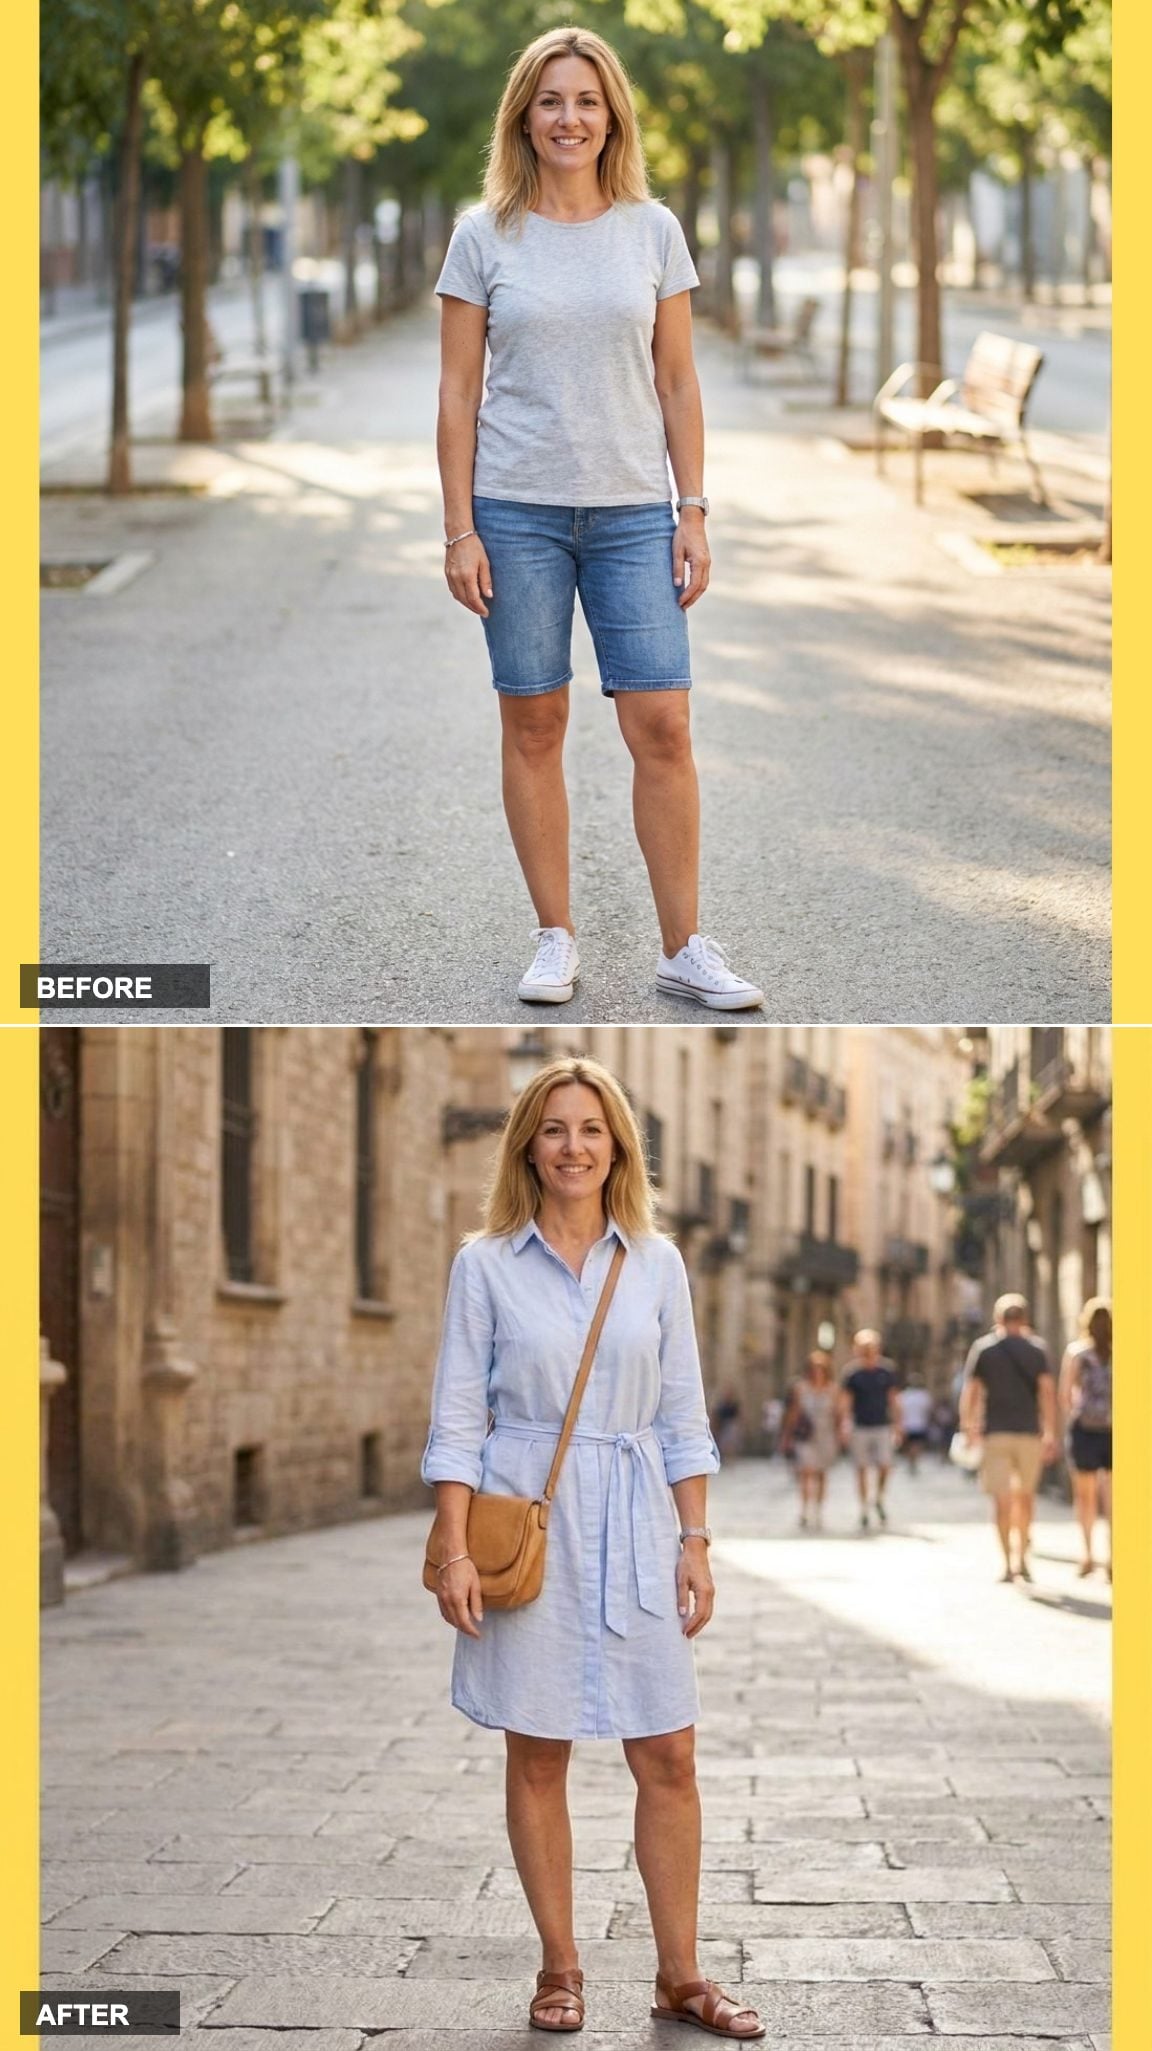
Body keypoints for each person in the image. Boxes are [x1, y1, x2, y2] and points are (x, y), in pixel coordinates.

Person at [422, 1056, 764, 2040]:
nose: (573, 1145)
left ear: (618, 1145)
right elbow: (456, 1411)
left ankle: (681, 1973)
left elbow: (682, 1411)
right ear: (527, 1142)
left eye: (592, 1127)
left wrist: (695, 1537)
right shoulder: (484, 1262)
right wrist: (453, 1546)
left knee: (670, 1749)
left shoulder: (657, 1263)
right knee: (538, 1749)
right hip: (525, 1515)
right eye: (555, 1126)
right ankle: (560, 1965)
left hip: (635, 1513)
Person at [435, 27, 763, 1014]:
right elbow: (456, 392)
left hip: (631, 512)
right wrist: (460, 528)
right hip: (516, 511)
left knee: (662, 723)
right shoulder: (483, 234)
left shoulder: (652, 229)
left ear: (611, 113)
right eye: (550, 101)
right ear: (523, 119)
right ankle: (554, 936)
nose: (569, 118)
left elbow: (677, 378)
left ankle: (685, 946)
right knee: (534, 721)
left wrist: (693, 508)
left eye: (586, 100)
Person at [960, 1294, 1058, 1583]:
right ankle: (1023, 1559)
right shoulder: (1036, 1350)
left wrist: (968, 1427)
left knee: (1002, 1501)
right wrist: (1051, 1432)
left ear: (997, 1319)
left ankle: (1006, 1564)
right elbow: (1047, 1393)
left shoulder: (983, 1349)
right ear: (1025, 1319)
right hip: (1029, 1433)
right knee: (1026, 1498)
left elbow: (971, 1392)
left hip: (995, 1434)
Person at [1059, 1297, 1112, 1580]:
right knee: (1115, 1498)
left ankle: (1088, 1556)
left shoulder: (1077, 1353)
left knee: (1086, 1497)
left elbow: (1065, 1395)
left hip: (1085, 1431)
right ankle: (1115, 1557)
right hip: (1116, 1430)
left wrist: (1077, 1414)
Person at [838, 1330, 901, 1530]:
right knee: (861, 1468)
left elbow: (893, 1399)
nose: (867, 1352)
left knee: (885, 1465)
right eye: (864, 1348)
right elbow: (846, 1402)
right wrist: (844, 1425)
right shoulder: (852, 1374)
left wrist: (898, 1424)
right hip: (860, 1426)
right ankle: (864, 1507)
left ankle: (879, 1498)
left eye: (871, 1348)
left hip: (882, 1425)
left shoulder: (887, 1371)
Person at [780, 1351, 839, 1528]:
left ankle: (818, 1509)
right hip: (806, 1434)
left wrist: (841, 1432)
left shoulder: (833, 1389)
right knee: (806, 1472)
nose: (817, 1372)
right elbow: (794, 1412)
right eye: (814, 1368)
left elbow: (838, 1414)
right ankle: (804, 1510)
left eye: (821, 1369)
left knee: (821, 1474)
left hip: (826, 1434)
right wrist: (787, 1435)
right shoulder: (801, 1388)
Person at [898, 1376, 933, 1474]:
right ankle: (913, 1461)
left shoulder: (903, 1395)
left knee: (909, 1445)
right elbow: (928, 1410)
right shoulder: (923, 1396)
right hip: (919, 1424)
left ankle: (911, 1461)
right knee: (916, 1445)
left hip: (907, 1424)